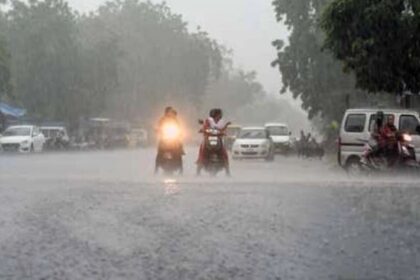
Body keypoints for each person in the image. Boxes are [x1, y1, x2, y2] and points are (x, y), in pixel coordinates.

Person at [197, 108, 231, 175]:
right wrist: (202, 130)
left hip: (218, 139)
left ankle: (228, 172)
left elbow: (223, 129)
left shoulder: (221, 122)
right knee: (202, 150)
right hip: (208, 138)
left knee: (224, 153)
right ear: (214, 115)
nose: (219, 116)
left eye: (220, 115)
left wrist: (226, 126)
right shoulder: (208, 121)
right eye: (218, 114)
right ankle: (198, 171)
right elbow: (204, 127)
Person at [155, 106, 183, 174]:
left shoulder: (175, 119)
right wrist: (158, 130)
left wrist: (180, 132)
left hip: (174, 138)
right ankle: (156, 167)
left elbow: (179, 127)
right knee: (159, 150)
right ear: (166, 112)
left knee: (179, 147)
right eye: (169, 112)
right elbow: (158, 126)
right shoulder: (162, 119)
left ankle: (180, 166)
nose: (170, 113)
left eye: (171, 112)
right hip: (164, 138)